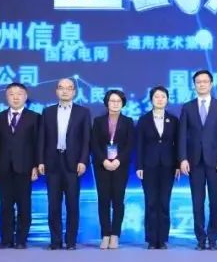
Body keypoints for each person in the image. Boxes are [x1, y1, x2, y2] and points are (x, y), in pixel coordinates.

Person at [178, 70, 217, 250]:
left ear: (211, 84)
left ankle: (213, 237)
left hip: (215, 162)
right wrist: (183, 158)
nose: (202, 84)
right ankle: (200, 238)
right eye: (198, 82)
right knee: (197, 201)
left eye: (205, 81)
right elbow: (182, 135)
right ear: (194, 85)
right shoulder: (187, 107)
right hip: (194, 161)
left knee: (215, 202)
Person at [37, 78, 91, 250]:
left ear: (74, 92)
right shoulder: (48, 112)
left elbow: (86, 140)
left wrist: (83, 160)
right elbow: (42, 138)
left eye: (69, 88)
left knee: (72, 204)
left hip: (73, 164)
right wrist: (40, 160)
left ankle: (71, 241)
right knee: (53, 204)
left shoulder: (83, 112)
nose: (65, 91)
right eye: (61, 88)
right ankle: (55, 240)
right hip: (52, 162)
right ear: (56, 91)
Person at [0, 82, 40, 250]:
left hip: (25, 167)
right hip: (3, 167)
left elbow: (37, 144)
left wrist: (36, 165)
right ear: (6, 97)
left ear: (25, 97)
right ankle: (6, 239)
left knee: (24, 205)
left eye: (19, 94)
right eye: (11, 94)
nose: (16, 97)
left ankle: (21, 240)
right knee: (5, 205)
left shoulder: (35, 117)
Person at [136, 86, 180, 249]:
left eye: (163, 96)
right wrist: (139, 165)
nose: (160, 99)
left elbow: (178, 144)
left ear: (167, 100)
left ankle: (162, 239)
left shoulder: (173, 120)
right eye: (156, 96)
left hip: (168, 166)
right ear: (151, 99)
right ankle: (151, 239)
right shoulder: (144, 120)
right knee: (151, 201)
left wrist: (177, 164)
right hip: (149, 165)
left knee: (164, 202)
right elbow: (139, 144)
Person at [91, 89, 135, 250]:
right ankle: (105, 235)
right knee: (103, 200)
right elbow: (94, 143)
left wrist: (118, 160)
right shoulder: (98, 121)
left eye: (118, 101)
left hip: (120, 166)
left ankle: (115, 235)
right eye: (112, 101)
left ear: (123, 103)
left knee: (118, 201)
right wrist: (103, 160)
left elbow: (130, 144)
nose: (115, 104)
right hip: (101, 165)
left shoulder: (128, 121)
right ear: (107, 103)